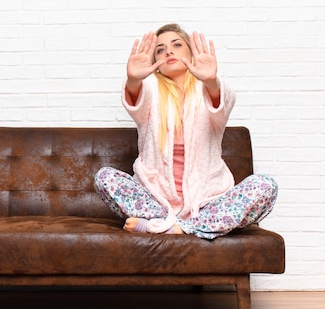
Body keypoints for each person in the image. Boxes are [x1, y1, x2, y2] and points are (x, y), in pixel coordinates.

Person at [94, 23, 278, 239]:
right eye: (160, 50)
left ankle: (174, 227)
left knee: (265, 185)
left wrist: (211, 81)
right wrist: (134, 80)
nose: (168, 51)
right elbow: (136, 99)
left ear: (191, 53)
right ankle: (178, 224)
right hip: (157, 200)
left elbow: (224, 101)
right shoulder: (151, 91)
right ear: (157, 64)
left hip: (206, 203)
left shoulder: (209, 90)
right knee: (104, 177)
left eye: (177, 45)